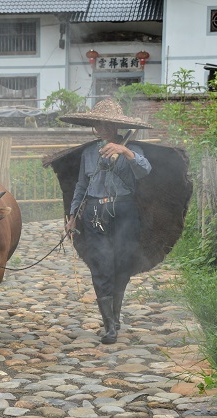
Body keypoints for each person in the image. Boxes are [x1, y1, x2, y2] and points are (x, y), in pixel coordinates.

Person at [64, 124, 151, 344]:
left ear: (116, 126)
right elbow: (82, 185)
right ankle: (109, 325)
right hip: (95, 212)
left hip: (124, 210)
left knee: (122, 264)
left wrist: (125, 152)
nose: (101, 129)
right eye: (97, 125)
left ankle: (116, 316)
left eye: (106, 125)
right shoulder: (89, 152)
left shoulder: (133, 148)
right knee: (101, 265)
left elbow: (145, 170)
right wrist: (73, 214)